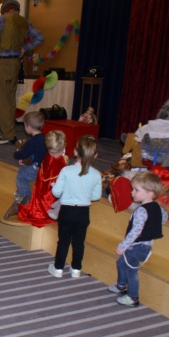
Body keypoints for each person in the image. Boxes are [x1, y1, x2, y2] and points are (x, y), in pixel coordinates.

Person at [0, 0, 44, 145]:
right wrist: (24, 48)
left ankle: (7, 135)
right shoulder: (25, 22)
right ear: (17, 10)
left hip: (3, 62)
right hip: (16, 63)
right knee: (11, 99)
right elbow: (40, 37)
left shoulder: (2, 19)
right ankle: (10, 132)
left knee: (2, 99)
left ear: (5, 10)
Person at [107, 171, 168, 307]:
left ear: (150, 193)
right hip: (144, 246)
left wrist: (122, 246)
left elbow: (135, 232)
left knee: (131, 271)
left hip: (137, 246)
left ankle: (132, 297)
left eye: (136, 190)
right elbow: (164, 218)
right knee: (121, 263)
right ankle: (121, 285)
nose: (132, 192)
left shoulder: (141, 210)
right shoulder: (157, 207)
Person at [48, 136, 102, 278]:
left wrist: (61, 189)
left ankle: (58, 268)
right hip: (83, 212)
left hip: (67, 211)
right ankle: (76, 269)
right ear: (95, 155)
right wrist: (83, 195)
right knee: (79, 242)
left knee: (64, 240)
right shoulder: (96, 174)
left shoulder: (66, 170)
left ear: (76, 152)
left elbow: (56, 192)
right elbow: (96, 196)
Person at [17, 130, 67, 227]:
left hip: (53, 191)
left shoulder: (59, 160)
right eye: (52, 152)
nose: (55, 155)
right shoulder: (50, 158)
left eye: (58, 152)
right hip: (44, 189)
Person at [13, 111, 48, 205]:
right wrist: (24, 160)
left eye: (24, 125)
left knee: (21, 176)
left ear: (28, 126)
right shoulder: (44, 138)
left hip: (37, 168)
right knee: (23, 169)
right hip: (44, 167)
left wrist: (16, 154)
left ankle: (24, 197)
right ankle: (24, 194)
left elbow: (23, 154)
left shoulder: (32, 142)